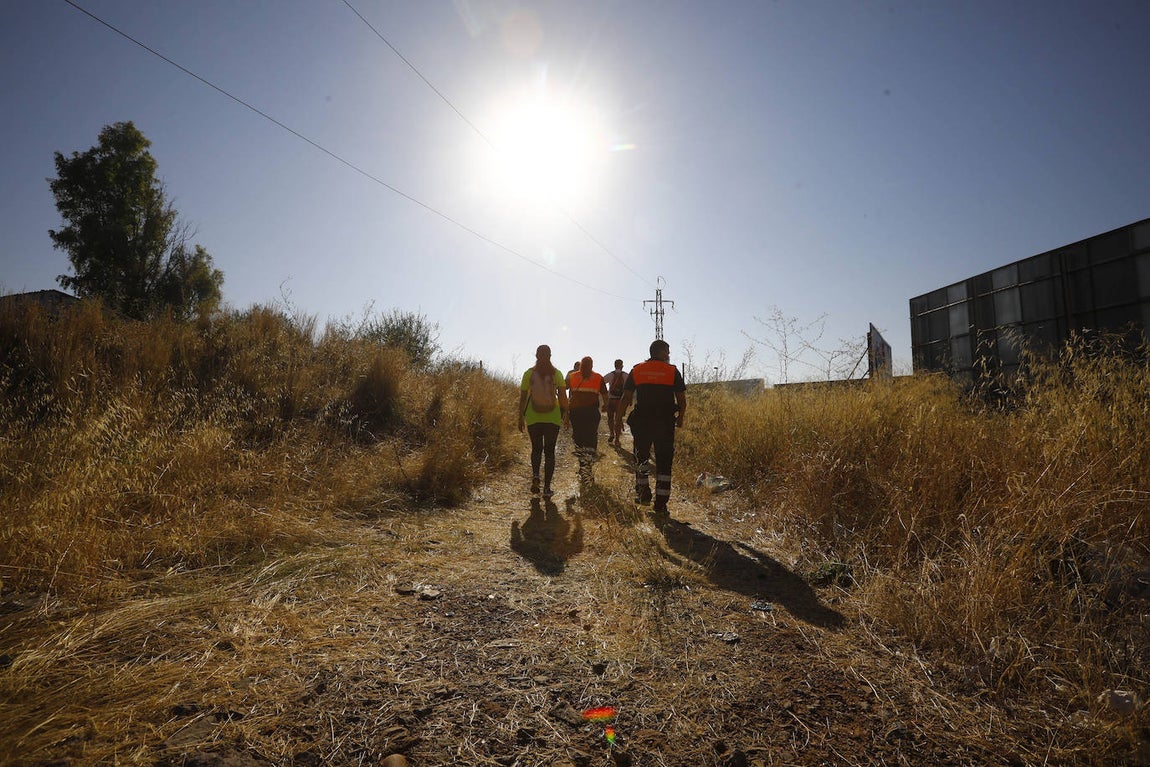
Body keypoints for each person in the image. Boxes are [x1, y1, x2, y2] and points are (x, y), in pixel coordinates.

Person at [615, 339, 687, 517]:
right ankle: (661, 504)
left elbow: (626, 397)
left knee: (641, 457)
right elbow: (682, 400)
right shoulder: (672, 371)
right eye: (667, 352)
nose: (669, 355)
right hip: (664, 422)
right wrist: (681, 418)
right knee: (664, 462)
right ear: (661, 352)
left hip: (642, 421)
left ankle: (643, 493)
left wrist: (618, 418)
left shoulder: (637, 370)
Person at [518, 345, 570, 498]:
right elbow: (562, 397)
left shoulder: (529, 373)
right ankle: (547, 488)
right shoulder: (557, 374)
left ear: (536, 355)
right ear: (550, 356)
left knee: (536, 449)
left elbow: (522, 397)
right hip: (552, 418)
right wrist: (566, 414)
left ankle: (535, 475)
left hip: (533, 417)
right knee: (549, 453)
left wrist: (520, 417)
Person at [566, 356, 609, 484]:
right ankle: (587, 469)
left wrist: (564, 408)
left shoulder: (573, 376)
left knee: (579, 438)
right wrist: (605, 405)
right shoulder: (598, 377)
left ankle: (582, 467)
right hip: (591, 413)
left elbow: (562, 389)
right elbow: (605, 395)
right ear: (592, 365)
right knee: (590, 439)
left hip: (576, 413)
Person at [603, 359, 627, 445]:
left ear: (614, 365)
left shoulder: (610, 375)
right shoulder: (625, 375)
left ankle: (611, 433)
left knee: (610, 418)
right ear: (622, 365)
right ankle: (617, 439)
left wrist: (606, 393)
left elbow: (602, 382)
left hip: (611, 399)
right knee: (618, 419)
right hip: (620, 400)